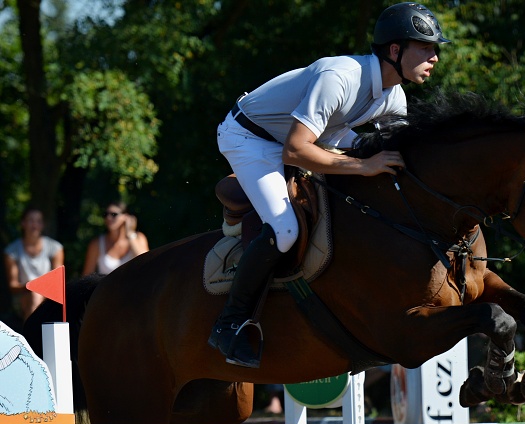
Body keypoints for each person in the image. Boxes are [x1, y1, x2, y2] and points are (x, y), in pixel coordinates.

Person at [209, 2, 450, 368]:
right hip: (251, 138)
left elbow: (401, 157)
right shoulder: (340, 76)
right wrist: (364, 165)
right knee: (286, 229)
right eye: (425, 47)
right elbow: (294, 150)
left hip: (316, 137)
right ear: (395, 50)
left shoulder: (394, 96)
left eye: (435, 49)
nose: (434, 57)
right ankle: (230, 322)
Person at [3, 206, 64, 321]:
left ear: (43, 225)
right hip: (23, 296)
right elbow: (13, 285)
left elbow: (57, 281)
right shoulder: (12, 251)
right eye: (31, 221)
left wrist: (38, 287)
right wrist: (31, 286)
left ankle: (31, 336)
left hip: (49, 295)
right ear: (23, 223)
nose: (34, 225)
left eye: (38, 221)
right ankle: (33, 336)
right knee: (35, 296)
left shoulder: (55, 248)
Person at [81, 202, 150, 276]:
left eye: (114, 214)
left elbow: (147, 262)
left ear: (126, 217)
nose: (108, 218)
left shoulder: (138, 238)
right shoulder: (96, 244)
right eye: (106, 214)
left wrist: (130, 234)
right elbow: (86, 276)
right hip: (106, 287)